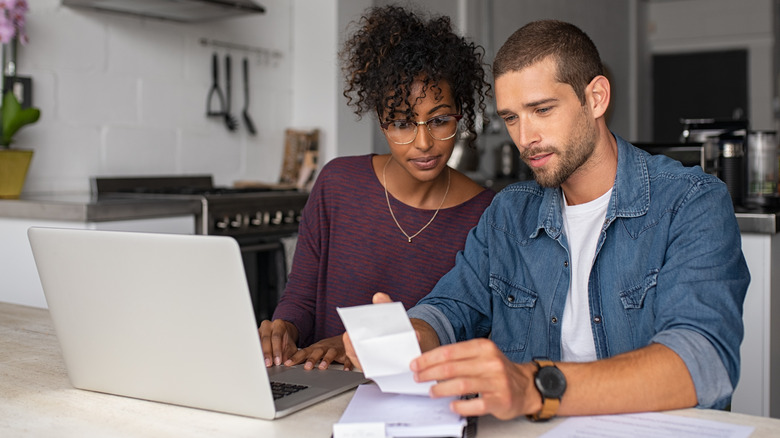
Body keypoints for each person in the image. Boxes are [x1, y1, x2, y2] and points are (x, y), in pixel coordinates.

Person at [345, 19, 750, 420]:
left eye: (541, 110)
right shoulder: (508, 214)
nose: (525, 138)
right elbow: (451, 306)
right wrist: (411, 335)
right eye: (511, 117)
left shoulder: (690, 202)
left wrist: (537, 387)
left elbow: (703, 362)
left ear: (596, 98)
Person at [259, 5, 495, 372]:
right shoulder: (337, 184)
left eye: (440, 120)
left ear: (460, 115)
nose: (423, 143)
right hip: (321, 385)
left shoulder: (486, 214)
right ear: (382, 123)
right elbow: (301, 299)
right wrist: (284, 329)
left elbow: (469, 331)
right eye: (401, 123)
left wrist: (355, 345)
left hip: (419, 401)